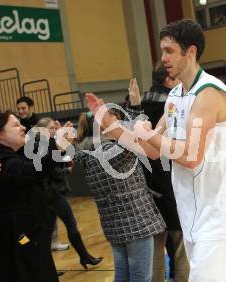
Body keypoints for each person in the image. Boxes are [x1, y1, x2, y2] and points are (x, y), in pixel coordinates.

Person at [87, 19, 226, 282]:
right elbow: (150, 150)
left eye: (169, 51)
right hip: (191, 211)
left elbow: (190, 156)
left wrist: (148, 134)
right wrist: (112, 126)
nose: (163, 58)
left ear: (191, 52)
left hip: (217, 213)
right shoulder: (175, 96)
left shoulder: (209, 94)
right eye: (162, 51)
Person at [78, 81, 166, 281]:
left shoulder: (84, 154)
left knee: (123, 275)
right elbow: (135, 138)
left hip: (113, 227)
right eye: (116, 121)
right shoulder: (113, 152)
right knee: (140, 276)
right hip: (135, 225)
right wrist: (135, 107)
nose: (121, 125)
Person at [0, 111, 60, 282]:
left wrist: (54, 144)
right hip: (16, 242)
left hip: (21, 238)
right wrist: (58, 147)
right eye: (15, 125)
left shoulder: (10, 155)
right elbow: (34, 170)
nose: (23, 128)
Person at [139, 63, 189, 282]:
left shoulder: (139, 105)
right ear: (168, 80)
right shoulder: (172, 106)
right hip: (169, 181)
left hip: (147, 183)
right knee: (180, 245)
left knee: (156, 246)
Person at [35, 117, 103, 269]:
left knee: (48, 231)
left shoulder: (48, 144)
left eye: (54, 128)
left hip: (52, 192)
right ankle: (84, 257)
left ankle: (49, 267)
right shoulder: (42, 145)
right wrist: (65, 169)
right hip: (52, 192)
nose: (54, 130)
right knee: (68, 224)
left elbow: (59, 160)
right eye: (51, 128)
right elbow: (50, 171)